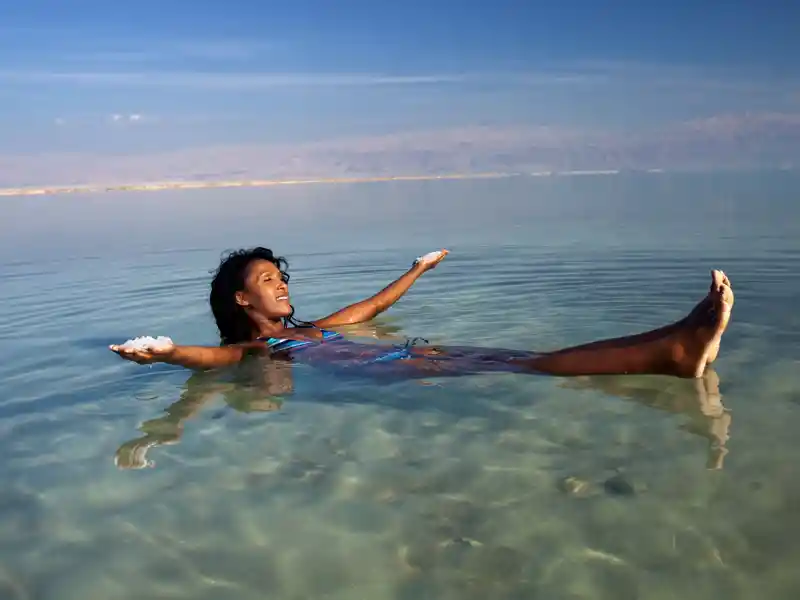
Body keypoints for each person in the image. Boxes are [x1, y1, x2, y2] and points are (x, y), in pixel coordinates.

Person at [109, 247, 734, 380]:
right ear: (242, 301)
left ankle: (673, 351)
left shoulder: (308, 330)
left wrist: (417, 269)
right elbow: (211, 356)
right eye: (265, 281)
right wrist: (164, 352)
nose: (279, 284)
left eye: (280, 277)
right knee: (528, 364)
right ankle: (674, 350)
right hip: (389, 371)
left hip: (405, 354)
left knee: (521, 362)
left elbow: (373, 306)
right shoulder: (262, 349)